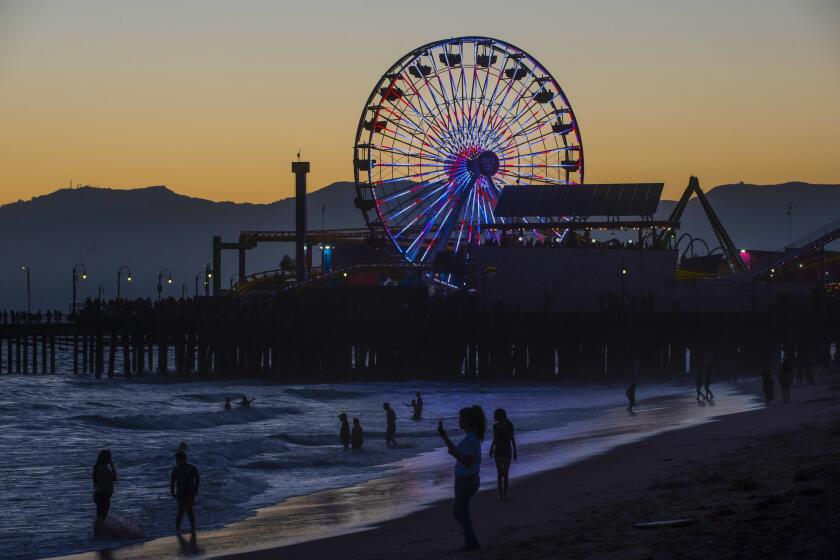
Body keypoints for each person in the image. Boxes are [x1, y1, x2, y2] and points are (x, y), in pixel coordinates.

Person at [437, 405, 486, 552]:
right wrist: (444, 436)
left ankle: (470, 544)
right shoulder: (473, 437)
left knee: (461, 513)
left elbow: (467, 460)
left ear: (467, 421)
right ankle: (473, 541)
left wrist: (455, 454)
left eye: (461, 418)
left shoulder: (470, 438)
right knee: (458, 512)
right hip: (470, 479)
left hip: (465, 480)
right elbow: (460, 454)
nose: (459, 420)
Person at [489, 408, 517, 500]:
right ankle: (500, 494)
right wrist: (491, 448)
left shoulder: (509, 425)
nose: (494, 416)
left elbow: (512, 438)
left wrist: (515, 451)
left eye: (495, 415)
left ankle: (506, 493)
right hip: (498, 450)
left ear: (499, 416)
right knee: (500, 472)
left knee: (505, 473)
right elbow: (495, 438)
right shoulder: (495, 426)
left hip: (507, 450)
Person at [170, 451, 200, 535]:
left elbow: (197, 478)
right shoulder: (176, 470)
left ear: (184, 459)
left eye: (179, 460)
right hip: (180, 492)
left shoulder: (192, 468)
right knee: (181, 510)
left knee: (189, 508)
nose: (177, 462)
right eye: (176, 460)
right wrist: (172, 492)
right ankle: (177, 528)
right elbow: (172, 482)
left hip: (191, 490)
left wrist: (196, 489)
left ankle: (193, 528)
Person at [93, 449, 117, 533]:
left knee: (101, 516)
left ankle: (99, 534)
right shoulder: (103, 468)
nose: (110, 459)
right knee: (102, 517)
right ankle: (99, 534)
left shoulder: (100, 467)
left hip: (101, 494)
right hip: (103, 495)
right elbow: (114, 478)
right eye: (109, 457)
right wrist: (112, 466)